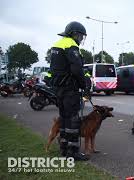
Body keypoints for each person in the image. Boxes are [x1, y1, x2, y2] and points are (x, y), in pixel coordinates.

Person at [50, 21, 88, 161]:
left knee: (64, 118)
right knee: (73, 120)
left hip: (58, 88)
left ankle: (64, 148)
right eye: (80, 36)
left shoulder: (57, 45)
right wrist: (83, 84)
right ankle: (73, 151)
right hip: (69, 88)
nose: (81, 39)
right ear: (74, 34)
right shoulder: (71, 46)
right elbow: (77, 69)